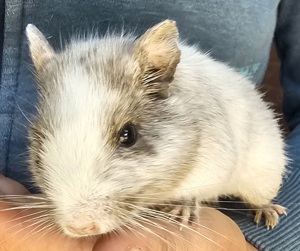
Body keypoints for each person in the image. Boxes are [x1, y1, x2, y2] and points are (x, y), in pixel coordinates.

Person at [0, 0, 299, 250]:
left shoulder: (194, 109)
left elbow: (222, 160)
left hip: (221, 226)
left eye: (126, 137)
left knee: (261, 188)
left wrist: (257, 243)